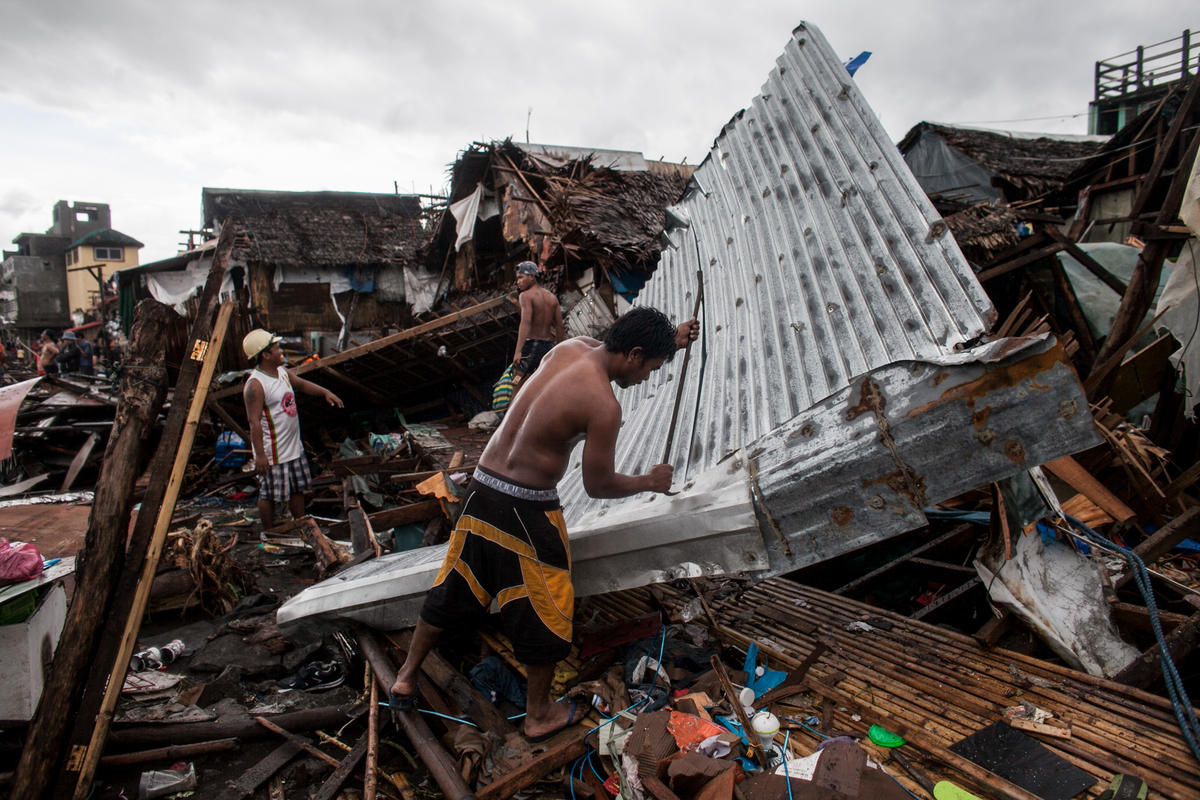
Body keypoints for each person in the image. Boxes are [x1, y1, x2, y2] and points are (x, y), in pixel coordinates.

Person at [390, 306, 699, 741]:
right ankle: (539, 715)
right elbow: (598, 484)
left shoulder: (569, 349)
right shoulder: (604, 405)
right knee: (549, 605)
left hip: (481, 489)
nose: (646, 378)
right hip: (526, 508)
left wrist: (673, 337)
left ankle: (405, 676)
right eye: (649, 367)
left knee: (457, 582)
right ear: (633, 354)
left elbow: (612, 344)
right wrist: (648, 481)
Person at [242, 329, 343, 530]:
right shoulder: (255, 385)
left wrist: (325, 392)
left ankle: (302, 525)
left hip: (293, 447)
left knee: (297, 489)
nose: (281, 351)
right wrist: (260, 455)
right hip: (274, 452)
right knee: (268, 494)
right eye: (277, 348)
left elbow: (302, 385)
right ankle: (270, 532)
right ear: (265, 355)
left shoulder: (281, 372)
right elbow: (253, 422)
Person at [510, 261, 564, 395]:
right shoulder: (552, 298)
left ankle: (511, 414)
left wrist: (518, 351)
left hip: (531, 348)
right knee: (547, 384)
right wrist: (560, 347)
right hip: (548, 347)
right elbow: (559, 325)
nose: (518, 281)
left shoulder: (525, 296)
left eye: (521, 277)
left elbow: (526, 322)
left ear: (532, 276)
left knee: (517, 383)